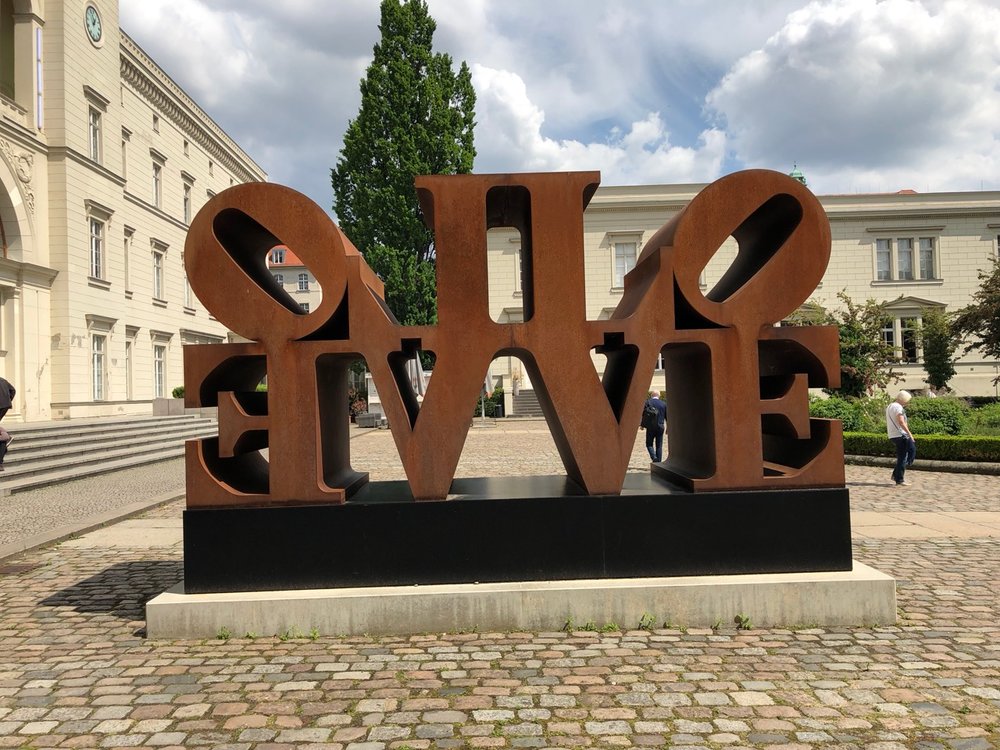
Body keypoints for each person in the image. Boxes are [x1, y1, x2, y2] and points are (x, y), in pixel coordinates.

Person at [885, 390, 915, 486]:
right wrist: (909, 433)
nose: (907, 403)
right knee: (909, 455)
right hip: (901, 434)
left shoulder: (890, 406)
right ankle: (899, 478)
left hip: (893, 434)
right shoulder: (898, 407)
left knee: (902, 456)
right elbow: (901, 421)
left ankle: (896, 475)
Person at [643, 390, 667, 463]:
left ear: (651, 395)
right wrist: (668, 428)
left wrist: (642, 425)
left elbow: (643, 414)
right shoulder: (663, 404)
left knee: (649, 444)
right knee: (659, 445)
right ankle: (658, 462)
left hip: (650, 426)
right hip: (660, 426)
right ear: (659, 396)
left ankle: (653, 457)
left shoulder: (647, 402)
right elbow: (667, 416)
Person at [0, 376, 12, 472]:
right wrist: (8, 400)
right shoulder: (3, 380)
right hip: (5, 406)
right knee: (3, 437)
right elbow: (13, 390)